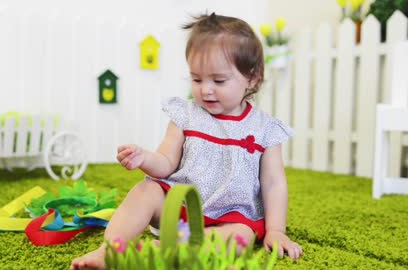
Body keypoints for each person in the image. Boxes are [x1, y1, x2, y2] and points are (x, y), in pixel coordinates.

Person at [71, 12, 302, 270]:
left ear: (252, 78)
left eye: (218, 80)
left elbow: (273, 183)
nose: (206, 89)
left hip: (231, 216)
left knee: (240, 237)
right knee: (146, 190)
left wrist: (276, 230)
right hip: (178, 208)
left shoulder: (265, 129)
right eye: (196, 79)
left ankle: (176, 252)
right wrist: (144, 158)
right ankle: (111, 249)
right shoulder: (186, 115)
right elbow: (166, 162)